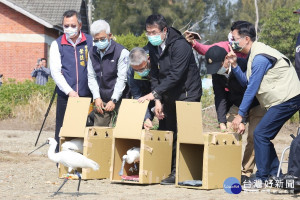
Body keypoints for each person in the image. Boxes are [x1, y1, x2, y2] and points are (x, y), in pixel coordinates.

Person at [226, 20, 300, 185]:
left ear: (246, 39)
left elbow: (251, 89)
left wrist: (240, 115)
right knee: (262, 135)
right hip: (282, 99)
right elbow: (246, 82)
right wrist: (235, 64)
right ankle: (275, 175)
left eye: (234, 38)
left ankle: (263, 177)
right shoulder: (254, 54)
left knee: (260, 134)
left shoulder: (259, 57)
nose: (232, 42)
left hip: (288, 98)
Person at [138, 14, 202, 185]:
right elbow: (155, 75)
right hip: (168, 94)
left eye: (154, 32)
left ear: (164, 30)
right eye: (148, 32)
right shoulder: (153, 47)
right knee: (168, 130)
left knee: (185, 133)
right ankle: (169, 169)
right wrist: (157, 100)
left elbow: (176, 75)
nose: (151, 36)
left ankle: (184, 171)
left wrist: (153, 94)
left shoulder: (181, 46)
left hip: (188, 93)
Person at [49, 10, 93, 152]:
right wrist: (69, 91)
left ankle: (84, 161)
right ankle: (61, 162)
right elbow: (55, 72)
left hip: (87, 94)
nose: (69, 29)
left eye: (72, 25)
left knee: (86, 128)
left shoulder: (90, 41)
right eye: (65, 26)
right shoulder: (57, 44)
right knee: (63, 128)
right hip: (66, 96)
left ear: (80, 25)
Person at [87, 19, 129, 127]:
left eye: (102, 39)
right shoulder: (92, 52)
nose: (99, 42)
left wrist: (114, 100)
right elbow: (91, 77)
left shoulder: (122, 52)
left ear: (109, 35)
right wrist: (96, 97)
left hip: (119, 98)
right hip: (102, 98)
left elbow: (122, 78)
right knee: (99, 131)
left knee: (118, 130)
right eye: (96, 40)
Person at [127, 47, 155, 130]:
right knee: (142, 125)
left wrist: (160, 104)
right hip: (144, 96)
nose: (140, 72)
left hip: (162, 94)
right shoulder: (130, 72)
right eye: (136, 70)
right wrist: (146, 118)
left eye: (142, 69)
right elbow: (137, 96)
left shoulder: (158, 63)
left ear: (148, 59)